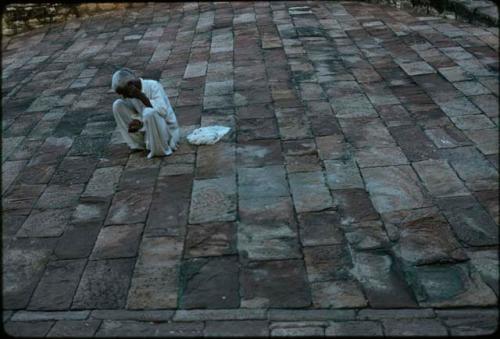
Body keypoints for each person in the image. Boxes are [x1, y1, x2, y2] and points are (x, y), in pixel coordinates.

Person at [111, 68, 180, 158]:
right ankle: (138, 145)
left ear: (130, 85)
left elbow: (162, 111)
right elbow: (138, 113)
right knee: (117, 105)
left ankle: (159, 149)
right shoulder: (129, 94)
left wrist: (141, 96)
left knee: (149, 112)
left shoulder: (153, 85)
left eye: (124, 92)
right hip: (147, 125)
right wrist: (137, 121)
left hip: (166, 130)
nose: (124, 96)